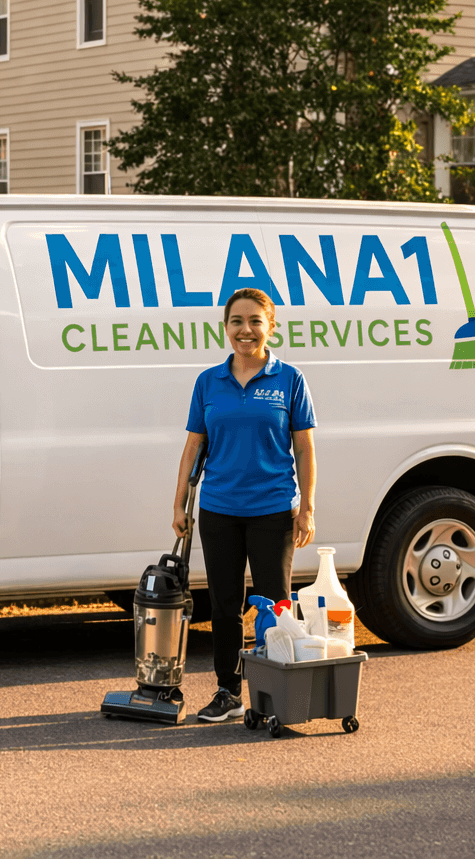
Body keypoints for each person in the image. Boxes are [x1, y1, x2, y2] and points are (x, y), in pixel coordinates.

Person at [171, 287, 316, 723]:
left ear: (271, 327)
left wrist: (307, 507)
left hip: (273, 509)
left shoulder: (290, 379)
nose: (245, 330)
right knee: (224, 605)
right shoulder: (208, 382)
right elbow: (194, 445)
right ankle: (229, 692)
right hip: (219, 509)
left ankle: (275, 696)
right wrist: (179, 504)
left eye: (255, 321)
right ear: (226, 327)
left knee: (275, 605)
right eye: (237, 321)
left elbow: (304, 448)